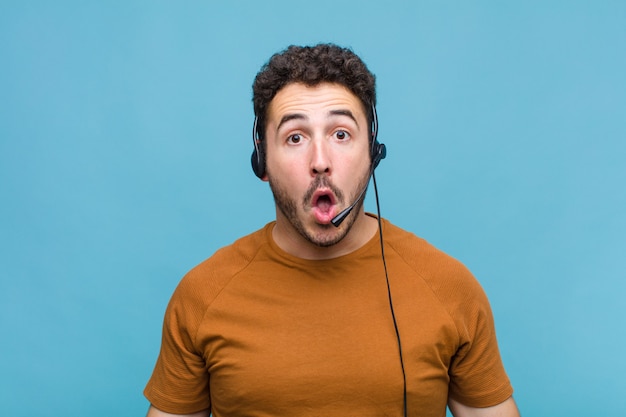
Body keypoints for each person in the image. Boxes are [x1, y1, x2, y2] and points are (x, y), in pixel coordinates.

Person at [144, 43, 520, 417]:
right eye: (295, 137)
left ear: (372, 152)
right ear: (262, 160)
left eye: (341, 134)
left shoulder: (449, 288)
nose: (320, 162)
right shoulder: (202, 296)